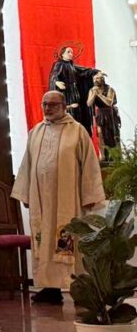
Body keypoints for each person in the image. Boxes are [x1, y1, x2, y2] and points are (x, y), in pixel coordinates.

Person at [12, 90, 105, 304]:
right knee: (44, 242)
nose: (48, 108)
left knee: (66, 240)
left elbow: (89, 165)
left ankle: (74, 286)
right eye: (45, 104)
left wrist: (89, 194)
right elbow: (27, 165)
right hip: (41, 200)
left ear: (64, 106)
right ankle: (50, 288)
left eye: (53, 104)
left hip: (67, 199)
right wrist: (26, 194)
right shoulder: (36, 132)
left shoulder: (77, 132)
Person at [48, 45, 100, 135]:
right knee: (70, 111)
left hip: (74, 92)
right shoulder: (59, 64)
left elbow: (83, 71)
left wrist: (95, 71)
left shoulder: (72, 66)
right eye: (68, 52)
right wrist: (56, 82)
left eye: (72, 52)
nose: (71, 54)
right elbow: (54, 75)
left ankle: (76, 133)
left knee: (77, 113)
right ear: (62, 54)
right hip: (66, 93)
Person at [88, 72, 121, 161]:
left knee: (112, 134)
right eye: (94, 79)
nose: (95, 80)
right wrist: (94, 94)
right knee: (100, 134)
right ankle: (102, 155)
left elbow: (109, 102)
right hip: (101, 114)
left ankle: (114, 155)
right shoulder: (92, 90)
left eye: (97, 78)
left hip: (110, 113)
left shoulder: (110, 89)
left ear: (102, 79)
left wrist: (99, 95)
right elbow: (89, 103)